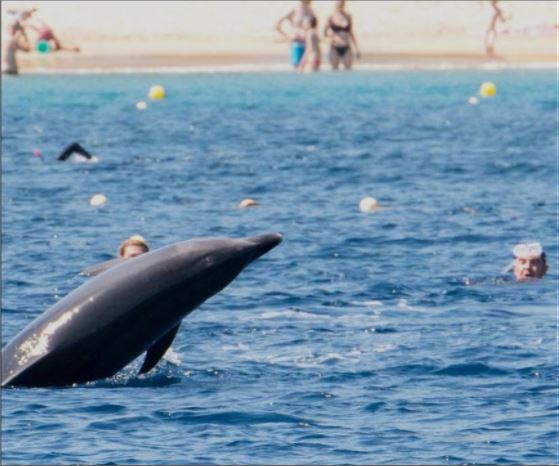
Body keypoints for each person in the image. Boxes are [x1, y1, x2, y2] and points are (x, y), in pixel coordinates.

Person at [275, 0, 317, 68]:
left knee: (309, 67)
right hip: (296, 43)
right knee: (297, 67)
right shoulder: (294, 10)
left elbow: (314, 27)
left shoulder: (310, 11)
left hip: (307, 43)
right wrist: (287, 37)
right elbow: (277, 25)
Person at [324, 0, 360, 71]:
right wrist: (333, 36)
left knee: (348, 70)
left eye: (341, 3)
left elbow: (351, 32)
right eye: (338, 4)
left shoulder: (348, 17)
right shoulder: (331, 17)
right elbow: (325, 33)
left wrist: (356, 48)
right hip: (335, 46)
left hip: (346, 46)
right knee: (334, 70)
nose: (340, 5)